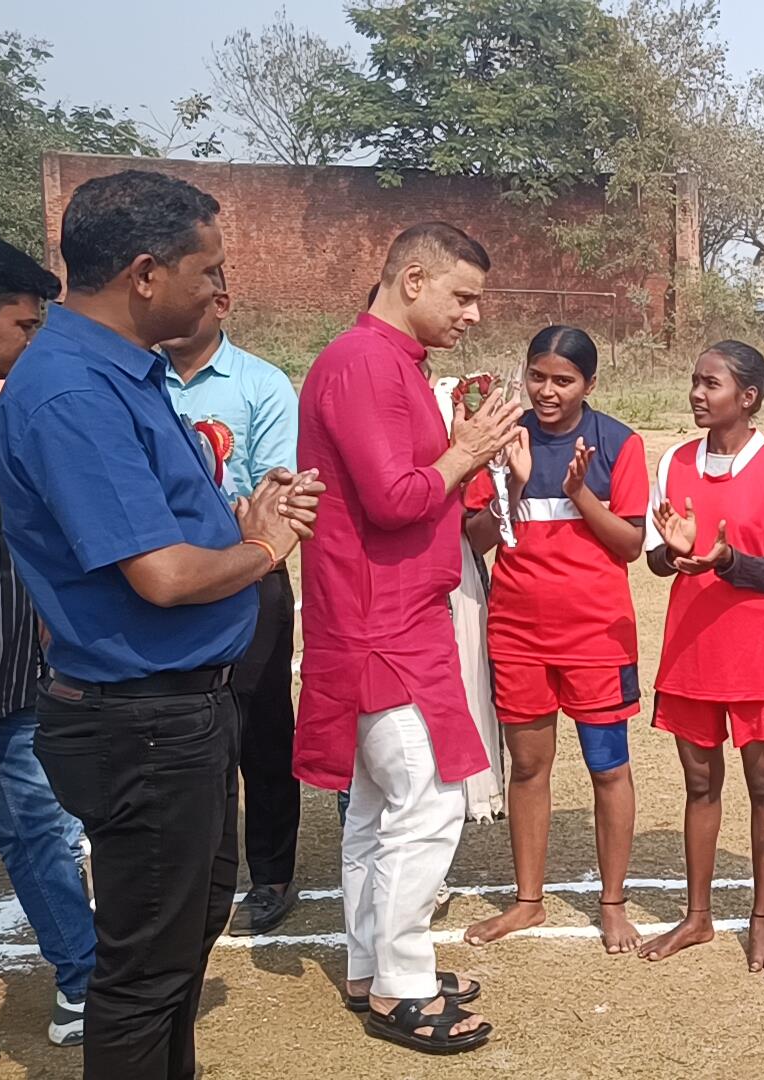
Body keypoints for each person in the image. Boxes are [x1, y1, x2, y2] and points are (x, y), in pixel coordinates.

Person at [0, 171, 321, 1080]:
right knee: (144, 973)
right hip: (142, 719)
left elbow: (159, 533)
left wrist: (238, 524)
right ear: (145, 273)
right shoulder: (74, 390)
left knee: (182, 938)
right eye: (206, 269)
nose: (217, 290)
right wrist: (263, 546)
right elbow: (165, 576)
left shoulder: (118, 372)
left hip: (177, 709)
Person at [295, 222, 521, 1055]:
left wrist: (459, 455)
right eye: (462, 296)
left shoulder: (390, 363)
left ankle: (373, 966)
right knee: (426, 802)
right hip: (381, 622)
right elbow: (394, 499)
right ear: (413, 279)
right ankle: (400, 983)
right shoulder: (364, 363)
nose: (472, 314)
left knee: (380, 804)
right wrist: (466, 453)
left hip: (385, 613)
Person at [0, 234, 96, 1067]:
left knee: (40, 833)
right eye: (24, 325)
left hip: (4, 684)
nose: (32, 341)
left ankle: (85, 984)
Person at [459, 326, 649, 954]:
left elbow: (630, 544)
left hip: (597, 637)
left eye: (563, 380)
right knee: (529, 768)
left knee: (608, 768)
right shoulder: (501, 438)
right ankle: (528, 900)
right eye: (537, 376)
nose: (547, 391)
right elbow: (478, 539)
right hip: (518, 634)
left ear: (589, 384)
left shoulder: (619, 443)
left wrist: (577, 494)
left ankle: (613, 903)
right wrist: (512, 485)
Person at [637, 341, 764, 969]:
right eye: (695, 381)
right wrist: (673, 551)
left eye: (711, 384)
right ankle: (698, 916)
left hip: (754, 655)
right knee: (699, 783)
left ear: (748, 397)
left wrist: (728, 560)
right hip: (690, 651)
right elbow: (657, 559)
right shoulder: (674, 461)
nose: (697, 393)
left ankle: (761, 920)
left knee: (763, 786)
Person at [160, 276, 304, 937]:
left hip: (251, 577)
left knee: (261, 727)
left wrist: (243, 535)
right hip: (167, 576)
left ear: (221, 305)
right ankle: (203, 876)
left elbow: (273, 493)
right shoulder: (141, 382)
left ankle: (271, 875)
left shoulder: (261, 385)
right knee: (189, 731)